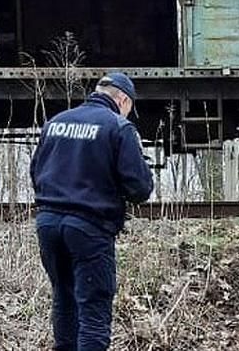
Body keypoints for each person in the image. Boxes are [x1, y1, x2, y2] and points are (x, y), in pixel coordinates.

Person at [30, 70, 154, 351]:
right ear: (123, 100)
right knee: (94, 312)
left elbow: (36, 171)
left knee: (64, 298)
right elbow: (140, 189)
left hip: (48, 224)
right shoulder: (118, 128)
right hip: (89, 228)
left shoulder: (55, 123)